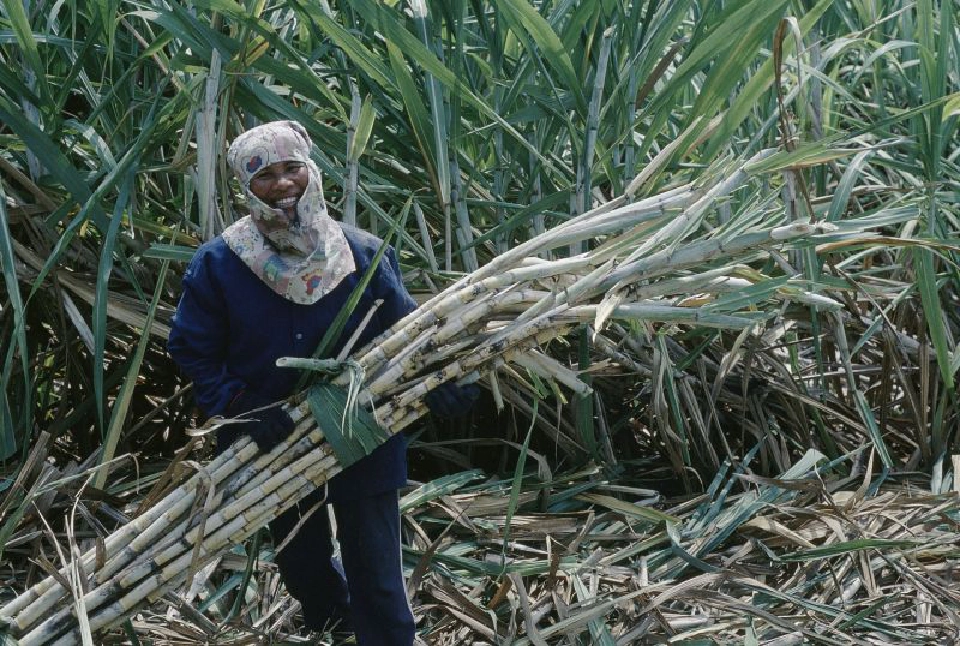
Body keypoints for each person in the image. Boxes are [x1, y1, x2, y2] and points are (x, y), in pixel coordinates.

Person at [167, 120, 477, 645]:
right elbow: (190, 348)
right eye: (264, 175)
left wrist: (442, 383)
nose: (283, 184)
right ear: (245, 187)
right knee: (299, 560)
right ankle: (332, 620)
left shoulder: (362, 252)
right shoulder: (219, 264)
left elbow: (408, 334)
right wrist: (242, 406)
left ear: (311, 171)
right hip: (273, 433)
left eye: (293, 169)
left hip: (359, 422)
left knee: (376, 563)